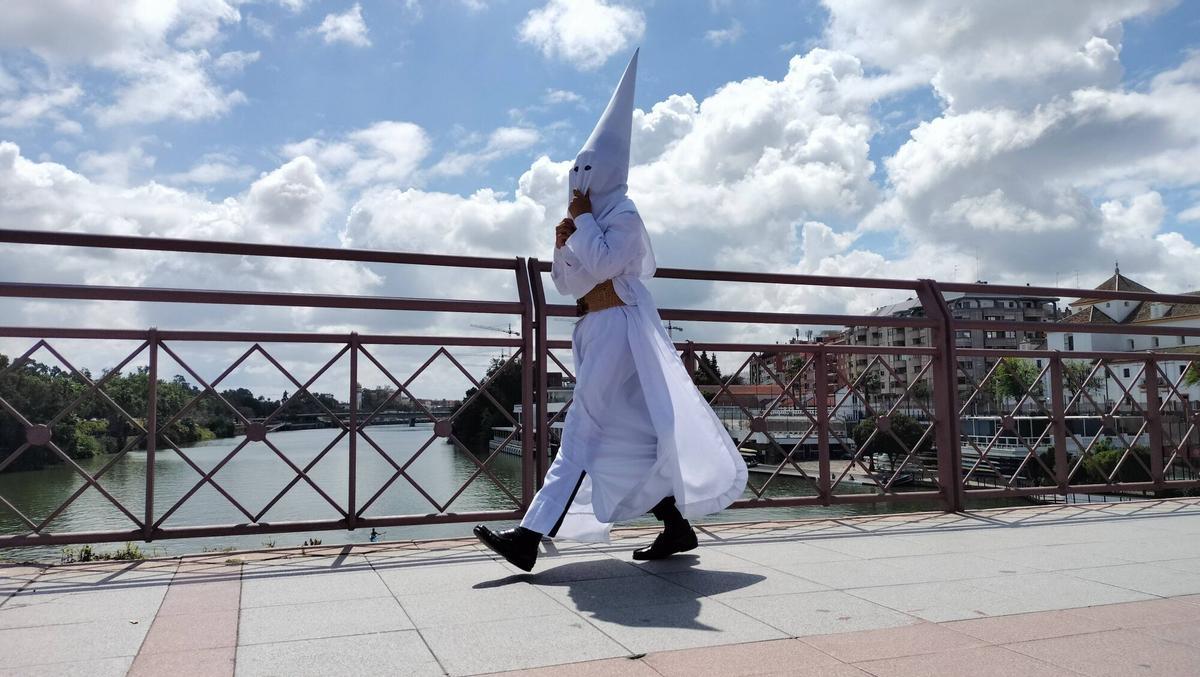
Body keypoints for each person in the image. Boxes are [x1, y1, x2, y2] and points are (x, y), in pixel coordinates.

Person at [474, 50, 746, 572]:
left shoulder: (622, 213)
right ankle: (676, 524)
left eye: (587, 170)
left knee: (583, 428)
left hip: (620, 325)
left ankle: (528, 536)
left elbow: (607, 262)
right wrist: (563, 242)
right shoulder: (592, 217)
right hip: (594, 327)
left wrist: (580, 228)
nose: (579, 179)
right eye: (576, 171)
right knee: (625, 434)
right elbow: (569, 282)